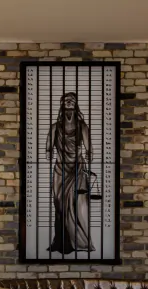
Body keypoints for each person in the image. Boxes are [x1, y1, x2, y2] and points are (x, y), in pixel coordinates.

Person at [46, 92, 95, 255]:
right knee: (59, 204)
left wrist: (88, 157)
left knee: (77, 203)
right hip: (60, 168)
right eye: (65, 100)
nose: (68, 102)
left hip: (77, 168)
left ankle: (78, 241)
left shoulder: (82, 126)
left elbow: (90, 150)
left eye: (72, 100)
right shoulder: (55, 127)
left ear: (76, 104)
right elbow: (48, 149)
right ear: (61, 104)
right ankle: (60, 241)